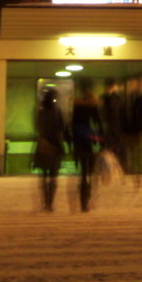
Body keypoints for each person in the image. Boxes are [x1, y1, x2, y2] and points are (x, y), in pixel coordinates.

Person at [33, 89, 68, 211]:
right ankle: (50, 203)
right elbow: (63, 127)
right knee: (53, 176)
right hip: (54, 146)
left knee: (43, 176)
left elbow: (37, 127)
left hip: (43, 145)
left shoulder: (40, 112)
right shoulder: (57, 112)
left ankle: (45, 201)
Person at [71, 79, 103, 211]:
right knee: (88, 171)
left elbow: (72, 123)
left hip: (78, 140)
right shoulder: (92, 104)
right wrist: (101, 138)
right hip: (88, 140)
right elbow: (98, 121)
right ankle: (86, 198)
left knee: (83, 172)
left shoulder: (77, 104)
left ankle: (83, 198)